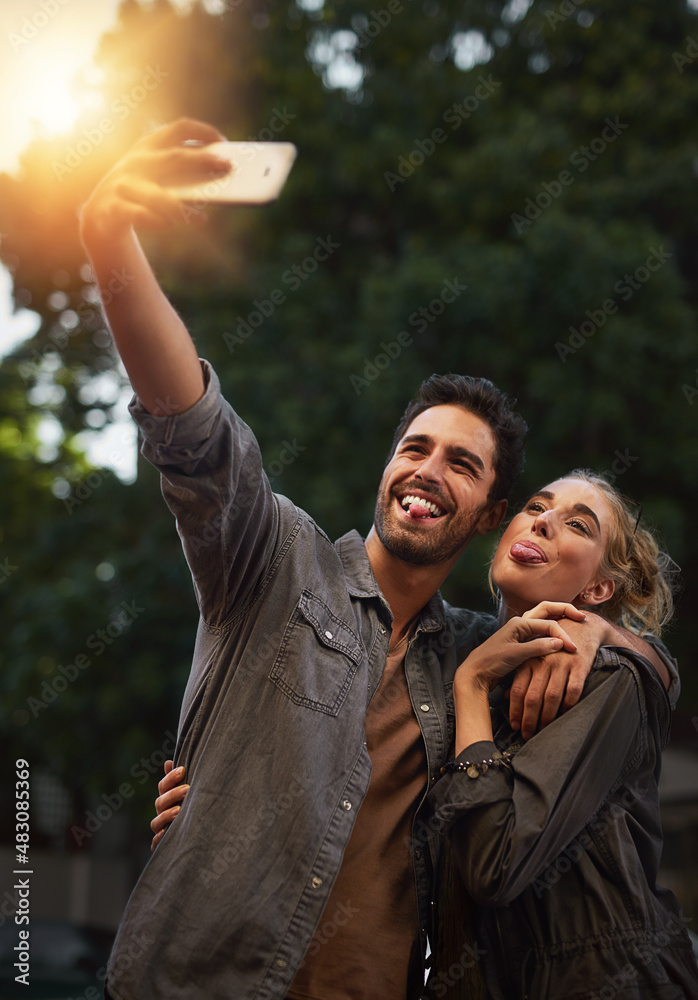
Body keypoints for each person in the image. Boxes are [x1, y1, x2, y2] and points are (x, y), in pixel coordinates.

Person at [79, 119, 673, 1000]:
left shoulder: (476, 657)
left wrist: (611, 640)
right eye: (415, 448)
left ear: (488, 518)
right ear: (389, 465)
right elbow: (191, 429)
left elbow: (569, 753)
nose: (429, 471)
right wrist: (110, 245)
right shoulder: (271, 561)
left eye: (462, 465)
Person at [425, 471, 698, 999]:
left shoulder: (608, 676)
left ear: (597, 588)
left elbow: (494, 865)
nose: (544, 520)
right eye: (535, 506)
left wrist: (472, 684)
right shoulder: (453, 649)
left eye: (577, 523)